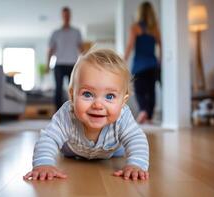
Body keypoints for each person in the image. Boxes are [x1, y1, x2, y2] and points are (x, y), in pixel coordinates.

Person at [24, 49, 149, 181]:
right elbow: (48, 137)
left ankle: (117, 149)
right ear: (72, 96)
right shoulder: (67, 114)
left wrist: (136, 164)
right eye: (87, 94)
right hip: (72, 150)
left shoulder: (123, 117)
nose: (98, 105)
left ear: (123, 102)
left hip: (110, 149)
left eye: (110, 96)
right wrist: (44, 164)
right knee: (60, 146)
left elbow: (136, 138)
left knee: (123, 147)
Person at [124, 1, 161, 124]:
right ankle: (149, 116)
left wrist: (122, 60)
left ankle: (143, 110)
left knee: (139, 90)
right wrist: (160, 61)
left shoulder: (135, 27)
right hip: (152, 64)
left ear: (139, 12)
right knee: (151, 91)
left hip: (139, 65)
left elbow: (130, 46)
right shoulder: (155, 28)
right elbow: (161, 45)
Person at [47, 6, 83, 111]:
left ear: (70, 16)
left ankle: (74, 110)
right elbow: (50, 50)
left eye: (68, 15)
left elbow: (81, 49)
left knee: (74, 89)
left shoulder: (77, 32)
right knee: (58, 89)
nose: (66, 17)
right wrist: (47, 64)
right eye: (64, 15)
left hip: (73, 64)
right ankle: (58, 112)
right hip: (59, 64)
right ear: (62, 16)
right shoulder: (56, 33)